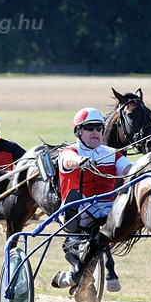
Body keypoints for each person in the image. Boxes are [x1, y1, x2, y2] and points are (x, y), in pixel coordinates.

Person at [51, 107, 133, 290]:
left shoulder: (111, 153)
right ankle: (83, 270)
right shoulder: (70, 151)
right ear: (79, 131)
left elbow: (129, 170)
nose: (95, 132)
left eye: (98, 128)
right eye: (89, 128)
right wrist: (80, 161)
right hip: (77, 210)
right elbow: (68, 160)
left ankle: (75, 277)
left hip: (107, 210)